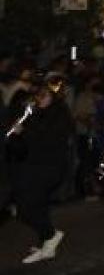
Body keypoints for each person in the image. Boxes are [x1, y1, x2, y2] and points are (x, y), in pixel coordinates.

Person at [7, 75, 72, 264]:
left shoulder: (60, 114)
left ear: (53, 97)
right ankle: (47, 244)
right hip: (32, 165)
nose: (40, 99)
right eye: (38, 95)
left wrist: (25, 131)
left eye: (44, 96)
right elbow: (24, 145)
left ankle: (51, 235)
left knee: (25, 208)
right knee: (36, 206)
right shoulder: (35, 112)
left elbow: (50, 141)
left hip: (49, 168)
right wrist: (15, 134)